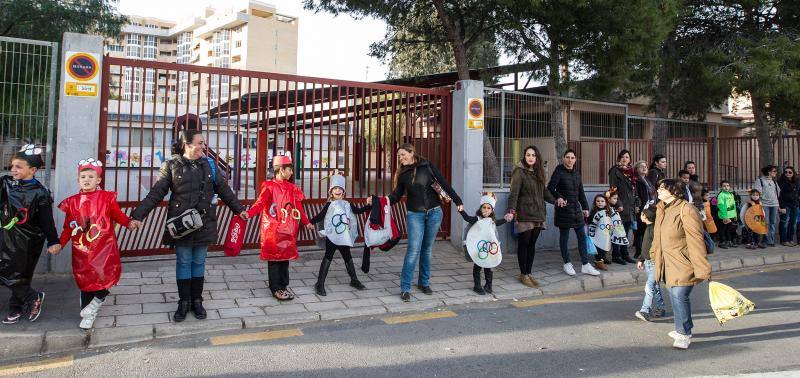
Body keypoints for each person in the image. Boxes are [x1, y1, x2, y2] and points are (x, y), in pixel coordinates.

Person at [131, 130, 247, 322]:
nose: (203, 146)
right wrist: (138, 216)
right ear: (187, 144)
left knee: (199, 261)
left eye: (204, 143)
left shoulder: (209, 165)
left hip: (204, 221)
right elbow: (156, 193)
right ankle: (184, 302)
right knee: (184, 261)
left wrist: (239, 209)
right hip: (181, 223)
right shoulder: (170, 166)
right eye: (200, 143)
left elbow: (224, 190)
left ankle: (197, 301)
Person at [54, 158, 138, 329]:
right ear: (78, 180)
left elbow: (118, 215)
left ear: (98, 180)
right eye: (83, 176)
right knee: (85, 282)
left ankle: (94, 305)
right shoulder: (71, 203)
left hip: (104, 248)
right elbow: (68, 228)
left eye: (91, 176)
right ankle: (88, 313)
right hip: (82, 250)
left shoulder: (107, 198)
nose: (86, 179)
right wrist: (59, 244)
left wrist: (128, 223)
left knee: (106, 278)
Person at [385, 144, 463, 302]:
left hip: (434, 212)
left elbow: (443, 183)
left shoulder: (427, 166)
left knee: (427, 249)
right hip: (415, 215)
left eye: (402, 154)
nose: (400, 158)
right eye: (398, 156)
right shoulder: (403, 174)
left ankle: (424, 282)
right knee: (413, 250)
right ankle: (405, 288)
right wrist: (382, 201)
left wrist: (457, 200)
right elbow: (396, 195)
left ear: (411, 153)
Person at [1, 145, 61, 324]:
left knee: (21, 274)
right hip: (6, 236)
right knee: (7, 271)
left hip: (28, 241)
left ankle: (18, 306)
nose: (13, 170)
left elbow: (47, 221)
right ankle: (31, 298)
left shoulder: (40, 193)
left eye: (18, 167)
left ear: (32, 170)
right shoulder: (6, 184)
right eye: (12, 166)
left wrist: (53, 241)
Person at [651, 179, 712, 349]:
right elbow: (658, 237)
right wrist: (651, 255)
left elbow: (696, 240)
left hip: (683, 262)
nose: (659, 191)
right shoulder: (662, 209)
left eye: (662, 189)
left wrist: (702, 266)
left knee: (679, 296)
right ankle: (683, 328)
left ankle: (684, 334)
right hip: (667, 261)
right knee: (674, 294)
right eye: (658, 188)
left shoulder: (687, 209)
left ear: (674, 191)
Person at [244, 155, 313, 301]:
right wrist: (248, 214)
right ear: (281, 170)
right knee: (274, 260)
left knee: (285, 259)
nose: (291, 173)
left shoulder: (292, 188)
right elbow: (260, 204)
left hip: (288, 229)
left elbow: (298, 208)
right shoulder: (269, 187)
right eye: (289, 170)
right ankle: (276, 288)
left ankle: (283, 286)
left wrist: (306, 222)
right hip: (273, 230)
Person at [309, 172, 370, 296]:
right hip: (332, 237)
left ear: (343, 192)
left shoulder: (348, 204)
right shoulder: (329, 205)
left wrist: (369, 206)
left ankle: (354, 280)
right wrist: (309, 222)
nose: (337, 191)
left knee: (347, 256)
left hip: (344, 237)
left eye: (340, 189)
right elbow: (320, 216)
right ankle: (319, 283)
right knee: (328, 257)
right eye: (335, 188)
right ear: (331, 192)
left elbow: (358, 211)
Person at [505, 145, 554, 287]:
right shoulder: (519, 172)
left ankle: (529, 272)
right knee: (524, 243)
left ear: (537, 157)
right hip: (525, 213)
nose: (530, 157)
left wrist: (556, 201)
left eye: (533, 155)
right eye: (528, 155)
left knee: (532, 245)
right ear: (524, 157)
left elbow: (543, 192)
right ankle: (523, 274)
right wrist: (511, 210)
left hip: (538, 213)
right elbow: (514, 193)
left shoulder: (539, 172)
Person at [547, 149, 601, 277]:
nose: (570, 160)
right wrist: (559, 197)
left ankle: (585, 264)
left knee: (582, 236)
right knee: (564, 237)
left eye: (572, 158)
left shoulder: (576, 173)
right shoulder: (558, 171)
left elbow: (580, 191)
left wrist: (585, 207)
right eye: (568, 157)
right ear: (564, 158)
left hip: (576, 209)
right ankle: (567, 263)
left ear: (575, 160)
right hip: (564, 209)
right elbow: (550, 187)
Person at [460, 193, 506, 295]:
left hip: (488, 247)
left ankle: (489, 285)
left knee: (488, 265)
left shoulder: (492, 221)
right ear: (480, 208)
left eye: (488, 208)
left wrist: (506, 219)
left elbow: (498, 222)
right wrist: (461, 210)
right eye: (484, 207)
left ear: (492, 210)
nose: (486, 210)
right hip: (478, 248)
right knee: (478, 266)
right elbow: (467, 218)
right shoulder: (477, 219)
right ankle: (477, 286)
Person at [634, 206, 666, 322]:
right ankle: (661, 307)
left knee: (649, 287)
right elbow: (646, 247)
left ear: (646, 216)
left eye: (642, 214)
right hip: (648, 262)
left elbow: (656, 247)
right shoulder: (648, 228)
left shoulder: (654, 229)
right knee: (654, 286)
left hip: (654, 263)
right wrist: (641, 259)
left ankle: (645, 310)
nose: (640, 216)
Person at [608, 150, 637, 261]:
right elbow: (612, 188)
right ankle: (616, 255)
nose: (625, 159)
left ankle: (625, 254)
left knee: (626, 231)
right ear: (619, 158)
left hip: (630, 206)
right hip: (620, 205)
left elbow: (634, 190)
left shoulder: (631, 172)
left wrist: (636, 204)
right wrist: (618, 203)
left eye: (627, 157)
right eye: (623, 157)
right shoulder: (614, 171)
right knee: (618, 231)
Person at [753, 165, 780, 247]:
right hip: (764, 204)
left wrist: (775, 200)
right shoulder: (760, 181)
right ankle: (765, 240)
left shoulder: (774, 181)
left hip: (774, 204)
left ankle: (771, 241)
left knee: (772, 223)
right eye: (774, 171)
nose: (776, 173)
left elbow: (778, 191)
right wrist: (764, 199)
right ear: (769, 172)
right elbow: (757, 193)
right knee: (765, 222)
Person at [606, 190, 634, 264]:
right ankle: (616, 256)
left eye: (616, 199)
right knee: (616, 237)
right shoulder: (608, 206)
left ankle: (624, 254)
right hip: (619, 219)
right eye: (615, 199)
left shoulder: (632, 180)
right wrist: (619, 205)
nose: (616, 200)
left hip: (628, 213)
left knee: (624, 236)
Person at [633, 160, 653, 258]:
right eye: (641, 166)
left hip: (650, 207)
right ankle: (638, 251)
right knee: (640, 231)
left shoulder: (648, 180)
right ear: (636, 169)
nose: (644, 168)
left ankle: (646, 250)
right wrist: (637, 205)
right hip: (641, 208)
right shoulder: (636, 181)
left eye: (645, 166)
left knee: (647, 230)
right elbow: (635, 195)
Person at [587, 194, 611, 271]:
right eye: (598, 201)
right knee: (598, 248)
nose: (600, 203)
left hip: (605, 233)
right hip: (597, 235)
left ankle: (603, 259)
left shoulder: (608, 211)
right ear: (595, 202)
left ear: (606, 203)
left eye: (602, 201)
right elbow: (590, 222)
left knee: (605, 247)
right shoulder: (594, 212)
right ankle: (599, 262)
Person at [777, 167, 799, 246]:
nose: (787, 174)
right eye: (786, 172)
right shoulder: (781, 181)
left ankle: (790, 239)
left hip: (795, 204)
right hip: (785, 204)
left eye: (790, 172)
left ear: (793, 173)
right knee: (784, 222)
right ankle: (783, 240)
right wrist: (782, 206)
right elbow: (780, 195)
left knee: (793, 223)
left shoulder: (796, 181)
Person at [716, 180, 738, 249]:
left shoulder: (731, 194)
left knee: (729, 229)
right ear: (721, 187)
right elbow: (721, 207)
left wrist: (735, 215)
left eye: (727, 186)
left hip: (731, 216)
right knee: (723, 230)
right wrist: (725, 217)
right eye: (724, 186)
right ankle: (721, 242)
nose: (726, 187)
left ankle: (729, 241)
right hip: (724, 217)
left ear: (729, 187)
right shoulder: (721, 195)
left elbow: (733, 205)